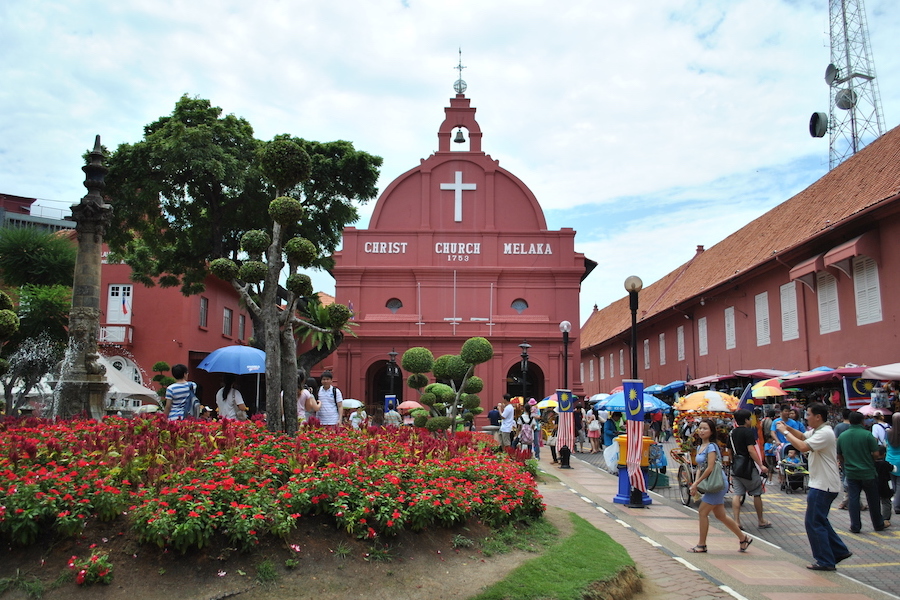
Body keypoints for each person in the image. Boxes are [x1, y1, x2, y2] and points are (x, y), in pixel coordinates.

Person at [776, 403, 851, 571]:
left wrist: (784, 431)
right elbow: (803, 437)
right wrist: (787, 426)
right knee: (819, 520)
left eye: (809, 415)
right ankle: (839, 551)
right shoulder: (818, 431)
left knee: (813, 522)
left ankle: (825, 560)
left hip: (823, 485)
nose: (806, 417)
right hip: (821, 483)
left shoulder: (825, 433)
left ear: (818, 417)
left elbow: (802, 446)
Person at [688, 419, 753, 554]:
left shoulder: (712, 447)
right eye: (700, 428)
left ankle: (702, 544)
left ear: (711, 431)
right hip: (710, 484)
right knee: (720, 515)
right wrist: (695, 484)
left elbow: (710, 468)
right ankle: (743, 538)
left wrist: (696, 483)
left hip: (717, 484)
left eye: (705, 428)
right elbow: (700, 467)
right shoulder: (700, 447)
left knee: (702, 512)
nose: (701, 431)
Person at [836, 411, 885, 533]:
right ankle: (878, 524)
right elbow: (875, 454)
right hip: (868, 472)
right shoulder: (867, 435)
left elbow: (839, 455)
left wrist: (847, 462)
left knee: (853, 499)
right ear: (862, 421)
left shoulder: (843, 436)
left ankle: (855, 526)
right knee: (873, 499)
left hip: (851, 472)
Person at [730, 409, 771, 530]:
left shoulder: (732, 433)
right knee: (757, 493)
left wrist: (733, 463)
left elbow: (730, 451)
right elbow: (751, 450)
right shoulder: (748, 432)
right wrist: (761, 465)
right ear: (747, 420)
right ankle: (761, 520)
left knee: (737, 494)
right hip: (748, 467)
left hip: (736, 467)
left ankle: (736, 521)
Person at [874, 446, 893, 530]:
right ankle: (885, 518)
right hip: (885, 485)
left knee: (875, 502)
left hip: (874, 484)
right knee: (886, 502)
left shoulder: (872, 463)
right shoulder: (885, 464)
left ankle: (877, 517)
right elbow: (893, 469)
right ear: (884, 454)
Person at [887, 412, 900, 516]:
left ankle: (895, 499)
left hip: (890, 459)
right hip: (899, 461)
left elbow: (885, 443)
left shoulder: (888, 432)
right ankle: (897, 505)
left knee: (894, 482)